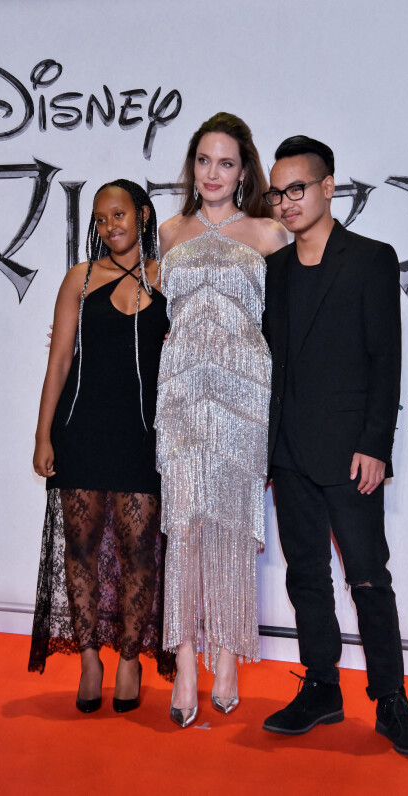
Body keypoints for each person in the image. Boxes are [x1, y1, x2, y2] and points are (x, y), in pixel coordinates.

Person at [261, 135, 408, 756]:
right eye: (277, 192)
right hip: (287, 452)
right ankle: (322, 688)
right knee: (307, 577)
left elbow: (384, 359)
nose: (285, 202)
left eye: (296, 189)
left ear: (329, 186)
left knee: (368, 579)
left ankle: (391, 701)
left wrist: (375, 445)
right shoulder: (273, 269)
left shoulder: (370, 259)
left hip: (349, 454)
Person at [155, 112, 287, 727]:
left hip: (243, 401)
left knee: (233, 525)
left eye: (226, 162)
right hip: (180, 396)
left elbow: (285, 330)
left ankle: (228, 657)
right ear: (192, 166)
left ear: (243, 170)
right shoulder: (170, 231)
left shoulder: (267, 233)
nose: (213, 172)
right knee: (182, 526)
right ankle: (185, 664)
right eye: (204, 161)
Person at [29, 179, 175, 713]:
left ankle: (131, 657)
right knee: (81, 549)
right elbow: (59, 361)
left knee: (141, 550)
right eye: (101, 218)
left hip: (142, 436)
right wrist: (43, 434)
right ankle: (90, 657)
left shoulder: (169, 276)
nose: (110, 226)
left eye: (118, 215)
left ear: (141, 214)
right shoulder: (78, 278)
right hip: (81, 429)